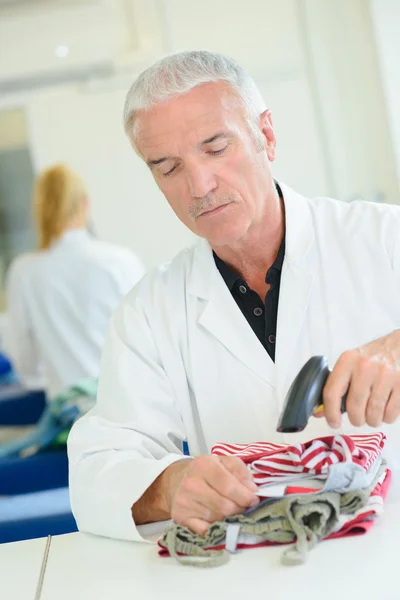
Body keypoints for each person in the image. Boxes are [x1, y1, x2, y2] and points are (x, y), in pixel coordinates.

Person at [68, 51, 400, 543]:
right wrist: (167, 485)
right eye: (168, 167)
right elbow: (101, 465)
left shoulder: (383, 237)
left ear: (265, 134)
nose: (199, 185)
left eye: (216, 148)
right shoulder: (150, 310)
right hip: (255, 571)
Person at [4, 163, 145, 398]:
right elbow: (148, 340)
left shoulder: (24, 271)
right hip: (128, 401)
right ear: (84, 204)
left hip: (69, 411)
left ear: (39, 211)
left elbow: (25, 363)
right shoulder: (119, 260)